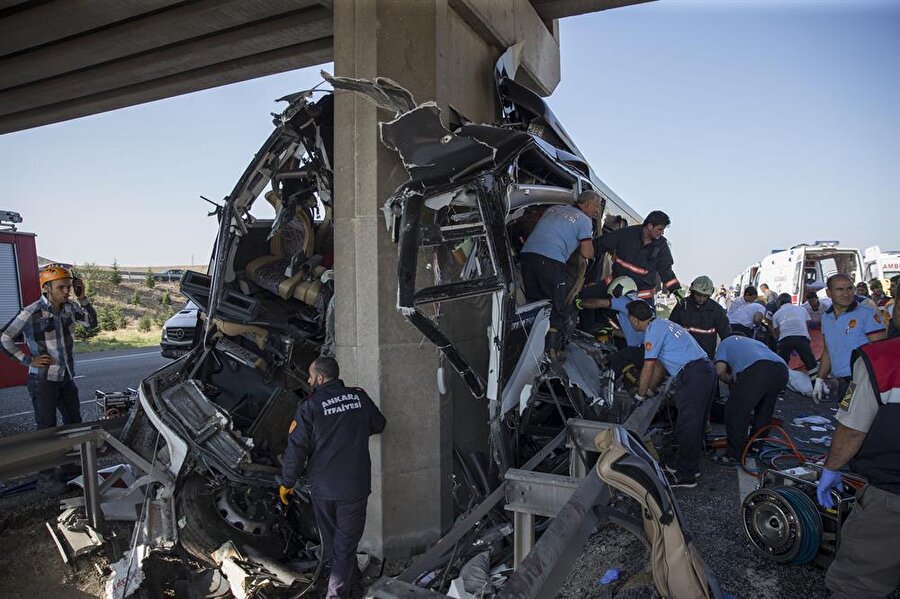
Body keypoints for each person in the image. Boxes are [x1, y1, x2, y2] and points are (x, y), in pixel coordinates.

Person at [280, 356, 386, 599]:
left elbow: (296, 451)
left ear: (319, 378)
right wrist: (354, 430)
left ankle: (337, 594)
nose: (308, 380)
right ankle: (353, 589)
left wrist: (287, 484)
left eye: (310, 375)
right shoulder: (358, 397)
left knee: (336, 547)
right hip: (354, 488)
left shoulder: (309, 407)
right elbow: (379, 424)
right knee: (344, 547)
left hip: (324, 489)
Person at [816, 337, 900, 599]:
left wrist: (831, 468)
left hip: (892, 495)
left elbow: (852, 429)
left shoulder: (883, 357)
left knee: (857, 585)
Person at [1, 265, 97, 492]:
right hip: (42, 380)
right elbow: (4, 337)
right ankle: (46, 479)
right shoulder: (31, 311)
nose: (67, 291)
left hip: (65, 377)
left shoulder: (70, 308)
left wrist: (83, 298)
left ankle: (70, 468)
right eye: (61, 287)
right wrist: (27, 360)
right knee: (47, 429)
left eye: (69, 287)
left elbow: (91, 323)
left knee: (74, 424)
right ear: (47, 288)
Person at [627, 301, 716, 488]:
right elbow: (659, 365)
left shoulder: (653, 331)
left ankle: (686, 477)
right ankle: (690, 467)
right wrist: (651, 388)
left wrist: (640, 396)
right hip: (704, 371)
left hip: (693, 375)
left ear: (634, 320)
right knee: (695, 424)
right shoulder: (664, 324)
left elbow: (648, 366)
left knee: (687, 425)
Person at [520, 190, 601, 356]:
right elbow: (586, 253)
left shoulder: (554, 208)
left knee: (534, 303)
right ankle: (551, 353)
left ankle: (525, 347)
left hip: (527, 256)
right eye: (596, 206)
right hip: (551, 260)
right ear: (586, 204)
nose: (597, 211)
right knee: (558, 307)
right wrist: (593, 251)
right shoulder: (585, 220)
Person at [712, 336, 788, 464]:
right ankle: (755, 447)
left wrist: (730, 379)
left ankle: (733, 454)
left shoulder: (725, 343)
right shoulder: (755, 342)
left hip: (758, 369)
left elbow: (720, 371)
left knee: (735, 410)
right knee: (764, 411)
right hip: (782, 369)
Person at [814, 274, 886, 402]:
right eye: (840, 289)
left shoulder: (867, 314)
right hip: (843, 382)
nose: (846, 294)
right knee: (843, 415)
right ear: (828, 293)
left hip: (862, 382)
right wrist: (819, 379)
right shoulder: (826, 318)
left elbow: (881, 351)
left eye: (849, 288)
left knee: (847, 419)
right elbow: (828, 350)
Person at [591, 210, 681, 303]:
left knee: (647, 317)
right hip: (616, 285)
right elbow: (602, 243)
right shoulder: (627, 234)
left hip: (641, 296)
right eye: (660, 229)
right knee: (586, 298)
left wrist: (675, 289)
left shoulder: (662, 246)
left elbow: (666, 270)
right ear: (650, 226)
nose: (662, 233)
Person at [668, 275, 731, 360]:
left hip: (705, 358)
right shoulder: (682, 305)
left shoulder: (717, 310)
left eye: (705, 296)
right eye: (698, 295)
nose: (701, 299)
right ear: (692, 292)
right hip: (682, 355)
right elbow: (670, 329)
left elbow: (726, 335)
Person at [770, 293, 817, 372]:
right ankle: (816, 382)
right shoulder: (801, 309)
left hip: (785, 339)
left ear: (779, 303)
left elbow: (777, 331)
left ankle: (780, 381)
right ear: (790, 300)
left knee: (782, 363)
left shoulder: (776, 314)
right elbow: (808, 323)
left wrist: (780, 342)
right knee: (810, 363)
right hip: (802, 338)